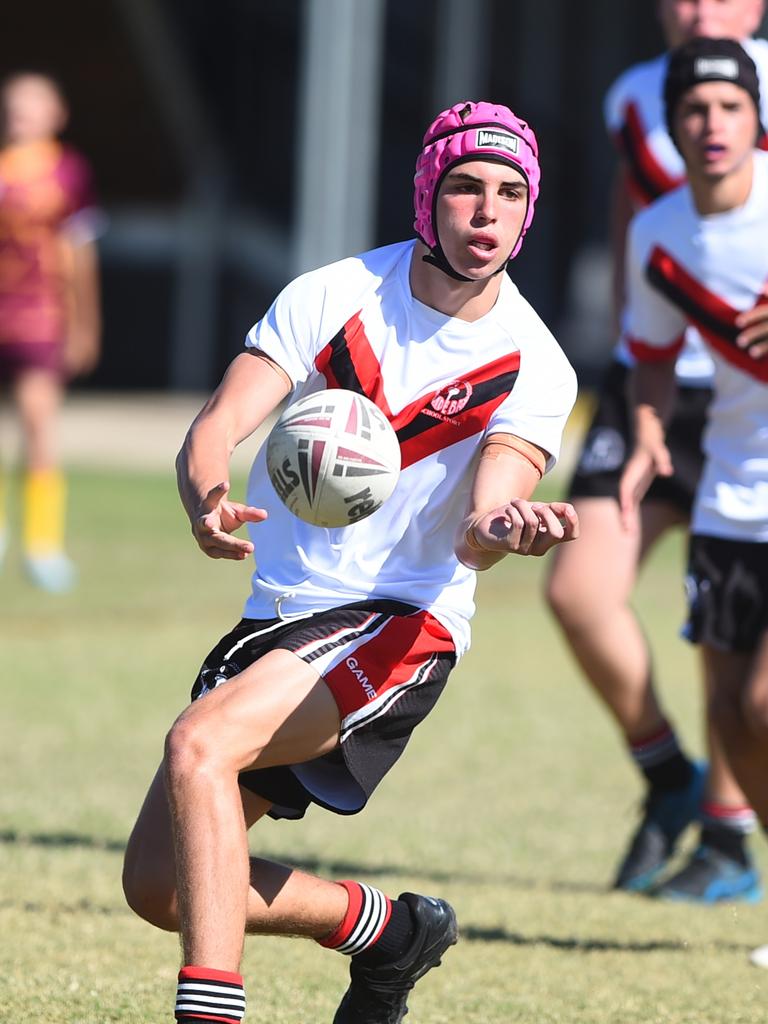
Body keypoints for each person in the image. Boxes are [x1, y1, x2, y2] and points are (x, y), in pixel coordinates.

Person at [121, 101, 578, 1024]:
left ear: (529, 213)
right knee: (162, 888)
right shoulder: (333, 296)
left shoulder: (537, 362)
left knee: (199, 746)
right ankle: (389, 932)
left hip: (401, 619)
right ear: (427, 196)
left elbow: (477, 524)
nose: (487, 213)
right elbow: (213, 430)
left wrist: (504, 530)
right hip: (284, 613)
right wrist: (207, 498)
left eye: (509, 194)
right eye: (465, 189)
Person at [545, 0, 768, 902]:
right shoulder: (634, 97)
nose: (697, 9)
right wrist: (639, 407)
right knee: (578, 587)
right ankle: (670, 774)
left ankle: (725, 839)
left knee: (755, 700)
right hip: (671, 378)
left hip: (744, 397)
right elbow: (634, 214)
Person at [618, 34, 768, 944]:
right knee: (726, 717)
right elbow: (651, 358)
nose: (711, 125)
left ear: (757, 118)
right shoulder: (658, 233)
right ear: (673, 126)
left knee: (759, 703)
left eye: (729, 108)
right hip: (729, 496)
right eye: (694, 111)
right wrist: (643, 432)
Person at [0, 71, 102, 593]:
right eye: (15, 105)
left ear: (56, 114)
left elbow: (79, 252)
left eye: (33, 105)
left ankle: (42, 546)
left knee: (38, 426)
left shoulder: (68, 173)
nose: (22, 114)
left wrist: (85, 322)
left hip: (39, 315)